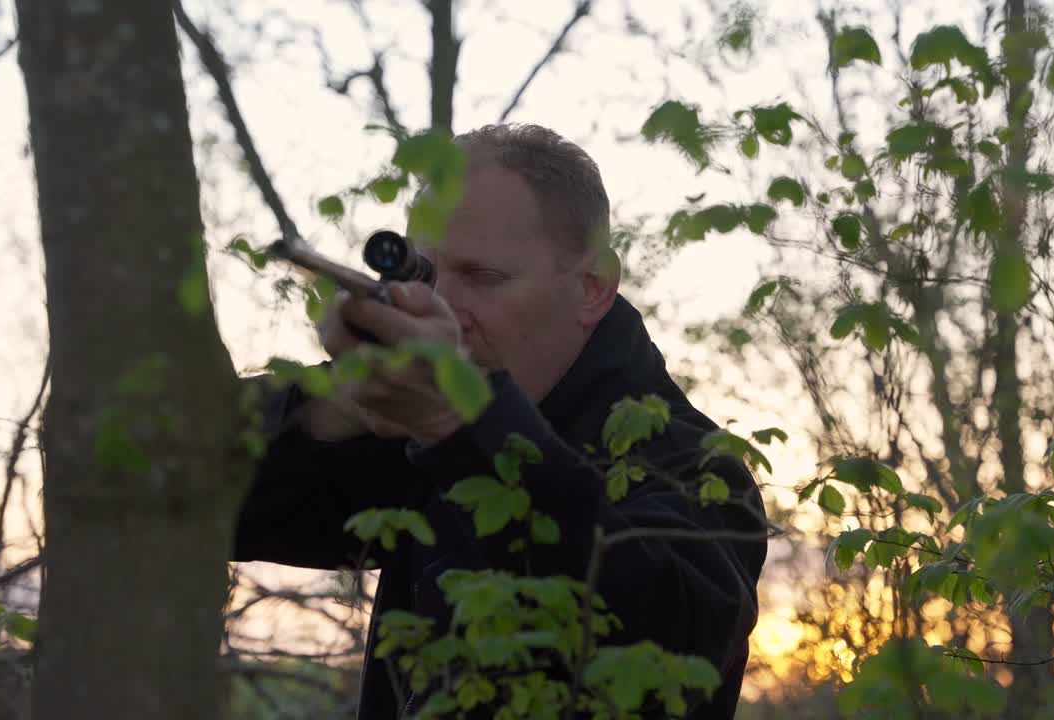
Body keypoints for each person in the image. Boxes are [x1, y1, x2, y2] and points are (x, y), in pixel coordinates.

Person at [234, 123, 768, 718]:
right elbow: (187, 494)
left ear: (593, 287)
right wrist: (335, 408)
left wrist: (460, 425)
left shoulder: (695, 469)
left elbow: (655, 652)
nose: (444, 307)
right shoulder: (418, 434)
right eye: (424, 276)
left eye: (483, 277)